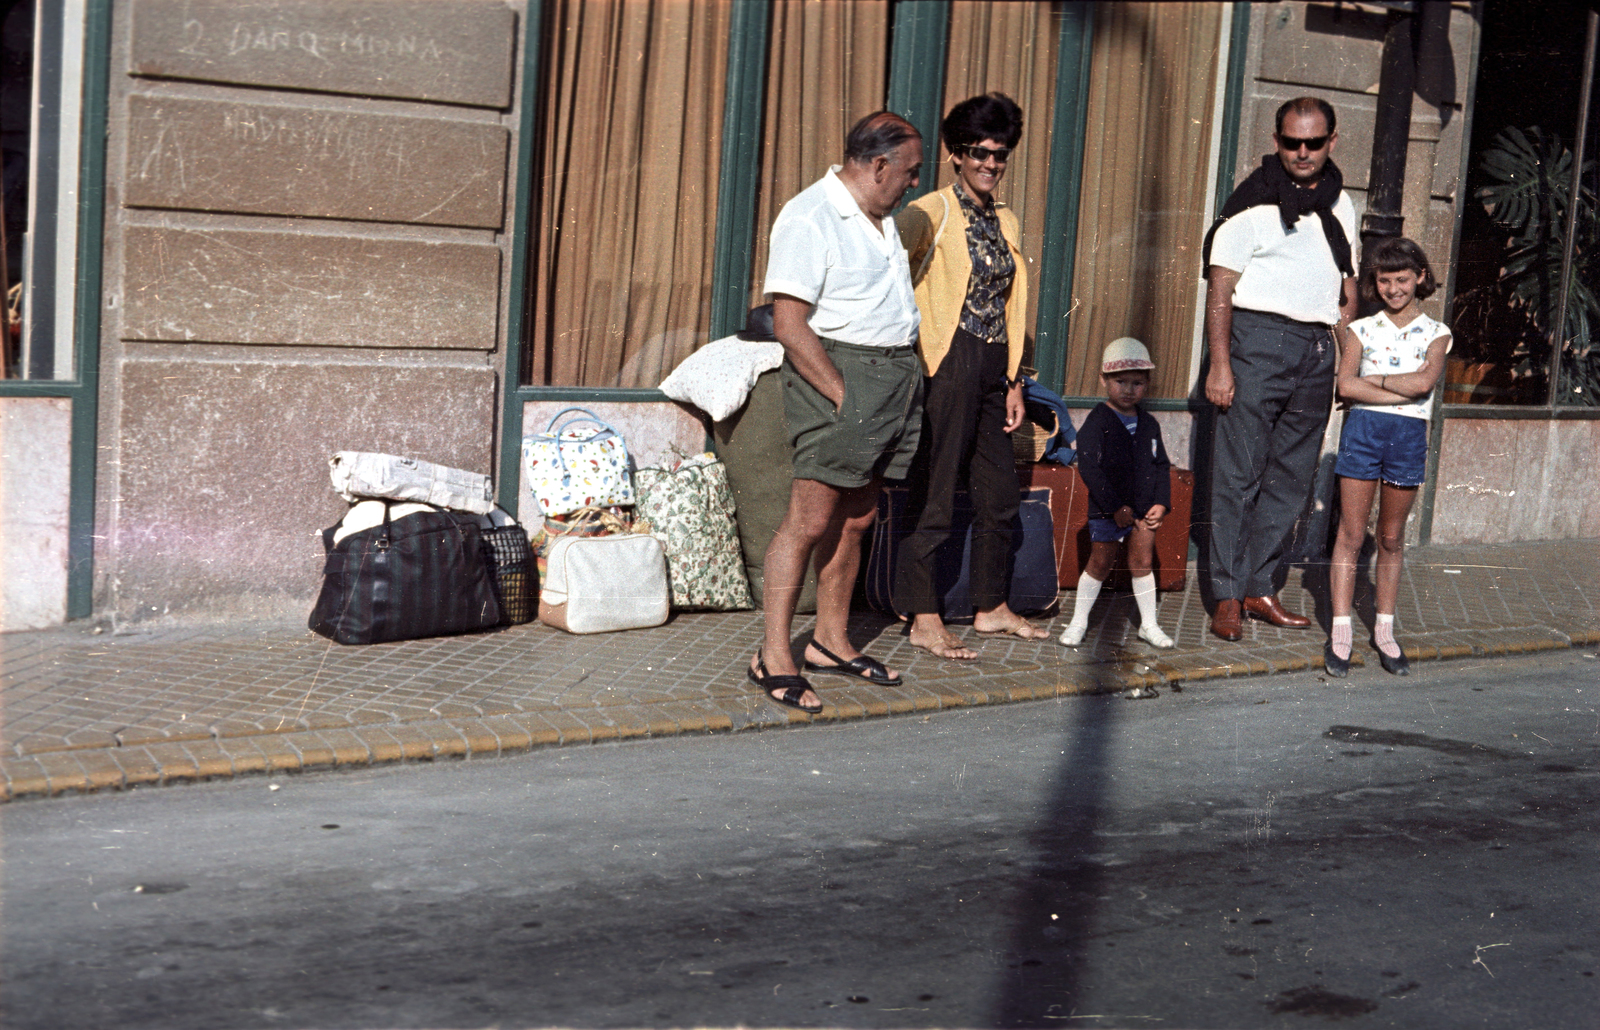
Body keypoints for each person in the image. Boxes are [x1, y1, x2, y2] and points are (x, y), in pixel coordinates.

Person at [748, 112, 926, 713]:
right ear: (878, 166)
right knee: (809, 519)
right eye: (909, 172)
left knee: (857, 519)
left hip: (891, 379)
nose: (914, 184)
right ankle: (774, 655)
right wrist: (843, 396)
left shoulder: (880, 218)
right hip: (841, 378)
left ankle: (829, 640)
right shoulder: (810, 216)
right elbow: (789, 323)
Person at [893, 92, 1049, 660]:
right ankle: (923, 616)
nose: (990, 163)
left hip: (993, 368)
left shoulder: (1004, 218)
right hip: (948, 361)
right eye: (979, 152)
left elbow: (1011, 305)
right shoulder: (929, 211)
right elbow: (888, 272)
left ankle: (990, 607)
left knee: (999, 493)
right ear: (956, 154)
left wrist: (1015, 381)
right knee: (935, 492)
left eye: (1000, 154)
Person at [1202, 96, 1357, 641]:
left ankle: (1260, 587)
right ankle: (1226, 595)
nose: (1303, 152)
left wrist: (1347, 362)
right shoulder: (1251, 204)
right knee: (1238, 476)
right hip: (1257, 343)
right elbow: (1219, 291)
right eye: (1292, 142)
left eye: (1314, 142)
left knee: (1292, 480)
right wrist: (1220, 366)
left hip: (1317, 350)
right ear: (1277, 142)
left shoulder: (1342, 205)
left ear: (1331, 142)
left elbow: (1346, 286)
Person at [1325, 238, 1451, 677]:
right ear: (1374, 283)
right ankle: (1341, 631)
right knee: (1350, 533)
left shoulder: (1438, 333)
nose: (1393, 289)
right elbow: (1346, 386)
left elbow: (1424, 385)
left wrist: (1373, 380)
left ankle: (1384, 631)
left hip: (1408, 436)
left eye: (1402, 279)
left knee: (1392, 538)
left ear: (1420, 277)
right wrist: (1398, 386)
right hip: (1363, 432)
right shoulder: (1361, 329)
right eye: (1384, 281)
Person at [1059, 338, 1174, 656]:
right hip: (1107, 508)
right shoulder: (1097, 422)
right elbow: (1090, 469)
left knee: (1142, 562)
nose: (1128, 390)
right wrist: (1113, 507)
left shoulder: (1149, 424)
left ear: (1147, 384)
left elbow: (1161, 465)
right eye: (1120, 381)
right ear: (1104, 380)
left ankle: (1148, 624)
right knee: (1100, 562)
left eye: (1137, 383)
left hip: (1143, 508)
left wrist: (1161, 502)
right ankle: (1078, 622)